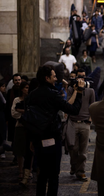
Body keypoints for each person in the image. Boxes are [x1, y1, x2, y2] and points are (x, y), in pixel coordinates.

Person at [26, 65, 84, 196]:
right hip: (52, 138)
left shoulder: (32, 95)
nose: (56, 78)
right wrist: (79, 92)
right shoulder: (53, 95)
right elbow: (73, 110)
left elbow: (29, 119)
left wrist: (31, 139)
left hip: (37, 139)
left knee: (41, 175)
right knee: (53, 175)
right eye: (54, 76)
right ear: (47, 78)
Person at [67, 69, 95, 181]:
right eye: (79, 77)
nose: (81, 79)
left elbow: (93, 106)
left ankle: (81, 171)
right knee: (73, 148)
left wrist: (89, 120)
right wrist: (76, 90)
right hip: (73, 122)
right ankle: (74, 166)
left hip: (85, 123)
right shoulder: (70, 89)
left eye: (83, 77)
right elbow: (68, 104)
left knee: (83, 151)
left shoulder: (90, 91)